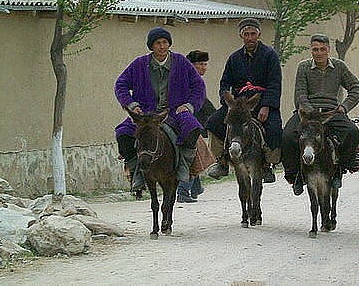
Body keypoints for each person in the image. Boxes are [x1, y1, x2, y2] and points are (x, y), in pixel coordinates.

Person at [114, 27, 206, 195]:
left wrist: (190, 105)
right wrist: (132, 105)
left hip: (174, 112)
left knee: (193, 127)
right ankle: (137, 172)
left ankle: (184, 167)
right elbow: (120, 84)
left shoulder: (181, 62)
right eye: (158, 43)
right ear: (151, 46)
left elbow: (198, 86)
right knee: (122, 133)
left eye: (165, 42)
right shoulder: (139, 64)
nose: (162, 46)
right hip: (145, 114)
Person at [281, 34, 359, 195]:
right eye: (315, 49)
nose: (319, 53)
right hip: (307, 113)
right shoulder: (303, 67)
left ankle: (340, 169)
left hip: (331, 111)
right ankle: (296, 175)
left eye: (322, 49)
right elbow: (300, 93)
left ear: (328, 50)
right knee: (287, 135)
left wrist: (344, 107)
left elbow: (356, 88)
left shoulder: (339, 66)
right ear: (311, 50)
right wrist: (309, 111)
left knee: (352, 132)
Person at [205, 18, 282, 183]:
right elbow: (225, 83)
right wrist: (227, 100)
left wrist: (267, 106)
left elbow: (274, 83)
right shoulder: (234, 58)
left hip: (261, 102)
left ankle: (267, 164)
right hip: (238, 104)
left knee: (274, 128)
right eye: (246, 34)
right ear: (241, 36)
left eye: (253, 34)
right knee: (213, 122)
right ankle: (222, 161)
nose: (250, 37)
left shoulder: (270, 55)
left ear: (258, 34)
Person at [176, 50, 217, 203]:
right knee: (194, 153)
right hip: (184, 123)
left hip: (191, 123)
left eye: (205, 64)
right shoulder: (185, 82)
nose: (204, 68)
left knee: (198, 154)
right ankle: (183, 190)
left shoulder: (194, 81)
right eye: (201, 64)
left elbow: (204, 104)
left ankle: (195, 188)